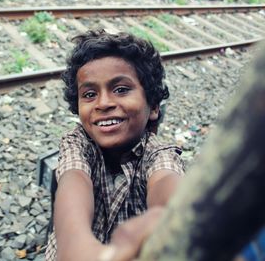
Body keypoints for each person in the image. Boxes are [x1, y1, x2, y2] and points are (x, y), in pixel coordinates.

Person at [45, 29, 185, 261]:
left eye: (121, 89)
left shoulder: (158, 153)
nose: (104, 103)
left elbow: (165, 182)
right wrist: (74, 244)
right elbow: (74, 181)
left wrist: (179, 215)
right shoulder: (78, 143)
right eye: (89, 94)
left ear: (153, 107)